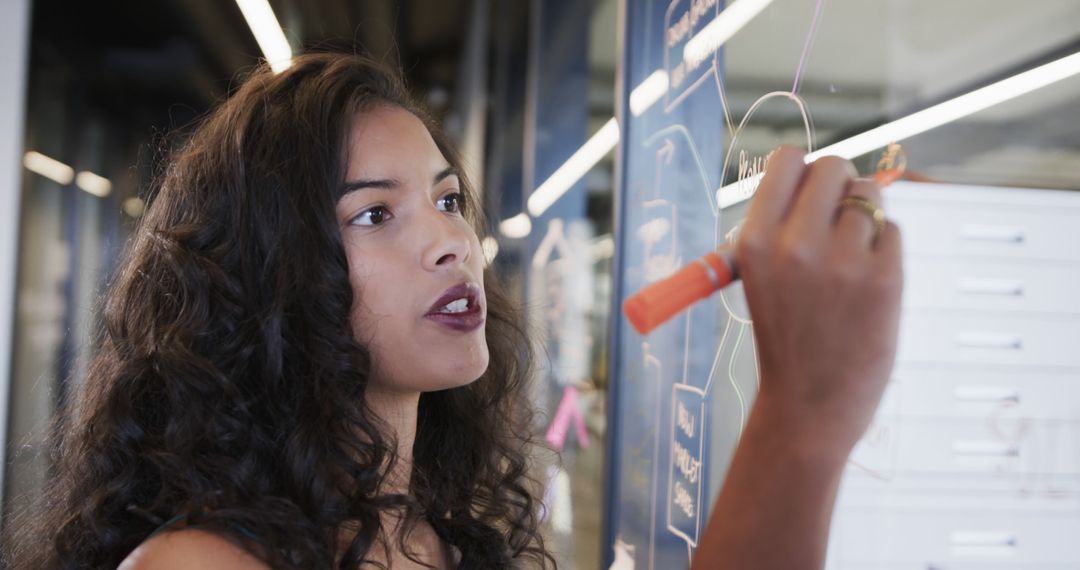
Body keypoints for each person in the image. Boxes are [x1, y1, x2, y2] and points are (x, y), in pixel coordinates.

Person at [4, 52, 902, 569]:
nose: (450, 243)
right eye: (373, 214)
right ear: (265, 274)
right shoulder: (199, 568)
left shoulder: (439, 534)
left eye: (446, 200)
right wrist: (803, 420)